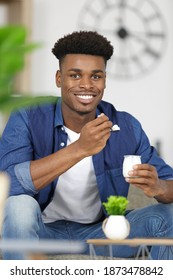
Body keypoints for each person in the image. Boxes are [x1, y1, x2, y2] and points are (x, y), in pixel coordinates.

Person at [0, 30, 173, 260]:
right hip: (42, 233)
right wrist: (79, 149)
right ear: (59, 79)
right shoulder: (28, 117)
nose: (86, 85)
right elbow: (7, 186)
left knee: (168, 215)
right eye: (75, 75)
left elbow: (169, 185)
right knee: (18, 207)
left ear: (104, 80)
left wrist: (159, 187)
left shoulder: (126, 126)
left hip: (101, 234)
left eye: (95, 76)